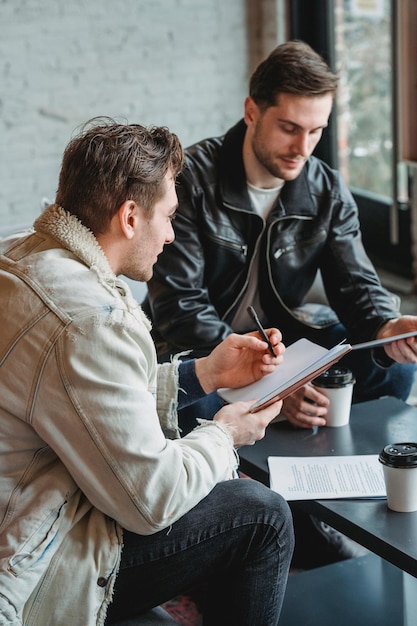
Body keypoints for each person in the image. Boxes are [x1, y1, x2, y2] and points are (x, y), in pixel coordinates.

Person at [0, 117, 294, 626]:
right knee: (260, 513)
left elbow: (83, 397)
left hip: (27, 505)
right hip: (30, 562)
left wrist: (204, 372)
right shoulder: (90, 321)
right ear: (130, 216)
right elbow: (150, 500)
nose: (174, 234)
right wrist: (226, 436)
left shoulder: (22, 254)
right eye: (170, 216)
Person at [143, 39, 417, 433]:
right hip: (201, 348)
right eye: (289, 128)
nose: (302, 148)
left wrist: (387, 327)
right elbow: (182, 309)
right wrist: (273, 384)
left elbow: (356, 284)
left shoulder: (325, 189)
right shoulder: (189, 181)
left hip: (280, 338)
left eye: (315, 131)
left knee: (393, 372)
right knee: (186, 403)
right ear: (252, 110)